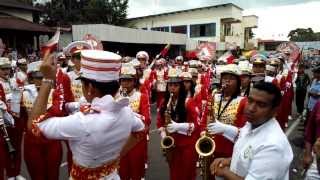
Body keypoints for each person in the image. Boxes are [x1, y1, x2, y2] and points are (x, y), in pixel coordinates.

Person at [27, 50, 145, 179]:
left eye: (82, 83)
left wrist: (47, 80)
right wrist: (117, 156)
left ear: (90, 88)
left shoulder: (81, 122)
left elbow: (34, 126)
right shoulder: (126, 112)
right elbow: (140, 129)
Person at [209, 82, 293, 180]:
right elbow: (248, 156)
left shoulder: (273, 146)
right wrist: (229, 161)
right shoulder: (252, 124)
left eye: (261, 105)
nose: (251, 108)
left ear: (274, 111)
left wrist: (224, 172)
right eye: (250, 101)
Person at [23, 61, 66, 180]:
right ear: (31, 79)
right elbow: (18, 118)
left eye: (44, 77)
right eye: (38, 78)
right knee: (37, 175)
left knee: (53, 175)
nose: (41, 81)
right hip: (31, 141)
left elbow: (58, 112)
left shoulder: (56, 93)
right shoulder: (24, 93)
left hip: (51, 140)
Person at [157, 68, 199, 180]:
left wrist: (178, 126)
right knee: (174, 173)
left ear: (181, 87)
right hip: (172, 145)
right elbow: (159, 123)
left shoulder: (188, 102)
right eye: (170, 85)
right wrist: (164, 136)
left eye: (176, 85)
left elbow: (197, 124)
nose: (172, 88)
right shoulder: (164, 103)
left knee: (187, 174)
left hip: (187, 145)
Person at [118, 65, 150, 180]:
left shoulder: (142, 97)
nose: (125, 83)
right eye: (123, 80)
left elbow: (146, 119)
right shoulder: (116, 97)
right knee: (121, 173)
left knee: (136, 172)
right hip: (120, 140)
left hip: (136, 140)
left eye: (128, 80)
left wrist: (130, 114)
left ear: (134, 81)